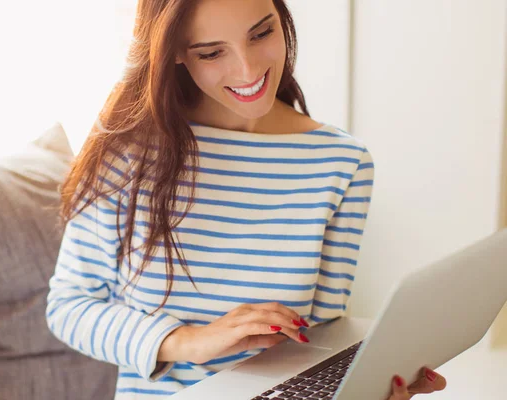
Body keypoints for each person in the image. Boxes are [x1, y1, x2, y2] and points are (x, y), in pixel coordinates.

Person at [45, 0, 447, 399]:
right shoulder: (129, 146)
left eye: (261, 33)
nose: (249, 69)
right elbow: (69, 306)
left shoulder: (342, 164)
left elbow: (322, 338)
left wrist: (364, 387)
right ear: (177, 54)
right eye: (213, 52)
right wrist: (190, 341)